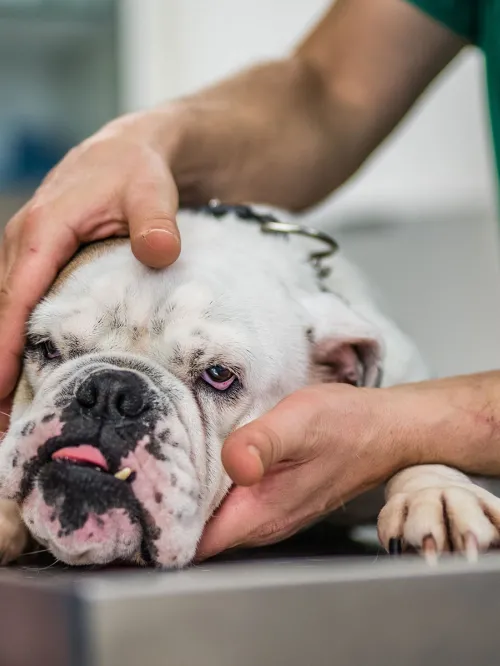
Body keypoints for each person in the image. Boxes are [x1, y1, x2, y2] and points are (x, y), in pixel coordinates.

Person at [0, 0, 499, 559]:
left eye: (216, 376)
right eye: (49, 347)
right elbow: (323, 89)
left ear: (338, 370)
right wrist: (149, 138)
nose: (106, 410)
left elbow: (394, 434)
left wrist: (421, 470)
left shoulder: (357, 358)